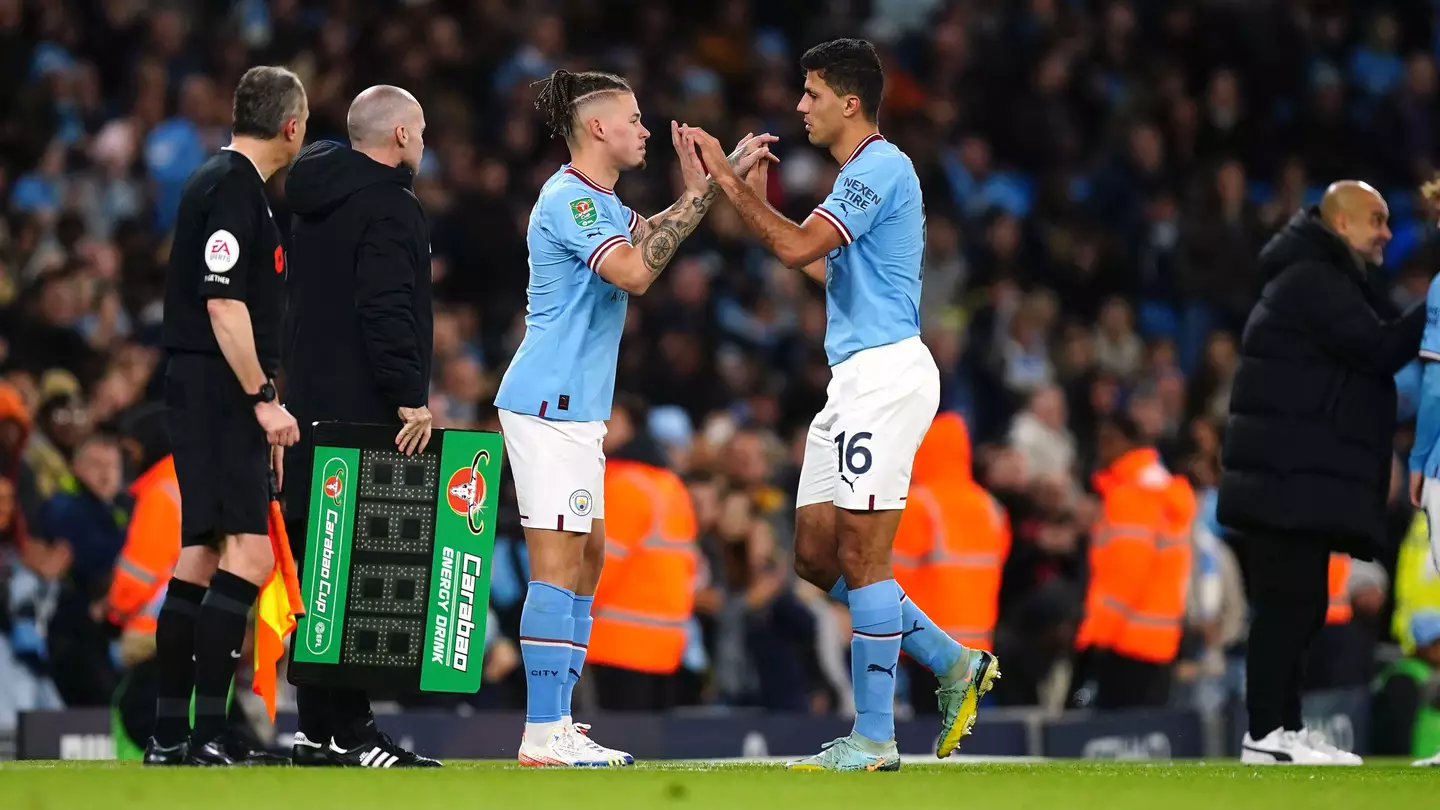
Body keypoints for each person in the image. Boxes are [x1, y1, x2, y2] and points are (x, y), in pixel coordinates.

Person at [684, 39, 998, 772]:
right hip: (852, 380)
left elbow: (797, 251)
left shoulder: (881, 167)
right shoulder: (860, 176)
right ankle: (952, 661)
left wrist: (728, 181)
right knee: (815, 556)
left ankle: (875, 738)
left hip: (886, 377)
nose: (800, 106)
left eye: (811, 93)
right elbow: (820, 264)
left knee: (863, 554)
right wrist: (752, 199)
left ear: (849, 102)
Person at [492, 68, 774, 768]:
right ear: (598, 128)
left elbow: (660, 240)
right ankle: (544, 732)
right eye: (635, 118)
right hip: (548, 403)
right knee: (557, 565)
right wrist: (700, 190)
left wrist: (717, 181)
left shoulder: (605, 205)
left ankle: (558, 722)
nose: (646, 129)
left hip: (578, 411)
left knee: (585, 562)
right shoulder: (570, 201)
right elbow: (636, 272)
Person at [1218, 180, 1423, 766]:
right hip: (1284, 476)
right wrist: (1434, 303)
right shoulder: (1312, 280)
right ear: (1341, 226)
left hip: (1293, 475)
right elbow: (1380, 350)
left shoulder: (1318, 278)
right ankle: (1264, 733)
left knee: (1303, 604)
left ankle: (1284, 728)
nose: (1387, 232)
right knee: (1287, 605)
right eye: (1377, 221)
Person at [149, 65, 306, 766]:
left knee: (203, 551)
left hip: (205, 386)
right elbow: (223, 304)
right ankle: (210, 731)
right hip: (218, 386)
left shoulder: (222, 183)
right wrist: (262, 401)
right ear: (292, 127)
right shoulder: (233, 188)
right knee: (249, 552)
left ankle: (170, 733)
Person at [281, 85, 441, 768]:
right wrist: (408, 394)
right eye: (423, 130)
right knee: (349, 577)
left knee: (321, 570)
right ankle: (350, 731)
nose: (426, 142)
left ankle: (317, 731)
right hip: (362, 409)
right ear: (401, 136)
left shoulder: (312, 193)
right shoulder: (388, 204)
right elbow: (385, 306)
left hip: (305, 404)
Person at [1071, 415, 1195, 710]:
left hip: (1124, 640)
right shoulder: (1158, 488)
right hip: (1158, 639)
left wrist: (1095, 637)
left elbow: (1125, 575)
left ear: (1120, 441)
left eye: (1105, 441)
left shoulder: (1133, 495)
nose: (1100, 451)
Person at [1371, 611, 1440, 765]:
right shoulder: (1404, 677)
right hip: (1419, 759)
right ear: (1423, 646)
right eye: (1438, 643)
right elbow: (1397, 731)